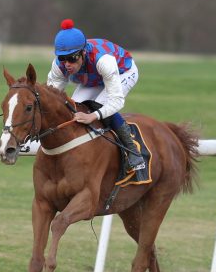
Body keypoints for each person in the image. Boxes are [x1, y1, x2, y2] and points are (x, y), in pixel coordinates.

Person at [47, 19, 146, 172]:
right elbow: (51, 98)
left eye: (72, 58)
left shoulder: (103, 60)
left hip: (122, 72)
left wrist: (92, 116)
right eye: (62, 58)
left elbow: (116, 101)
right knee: (74, 110)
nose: (67, 64)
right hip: (94, 77)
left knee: (99, 107)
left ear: (83, 52)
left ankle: (133, 152)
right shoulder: (58, 66)